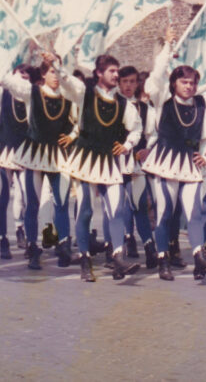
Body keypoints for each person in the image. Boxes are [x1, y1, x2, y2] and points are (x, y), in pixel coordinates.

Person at [54, 53, 143, 282]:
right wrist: (56, 64)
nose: (116, 74)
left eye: (117, 71)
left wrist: (127, 145)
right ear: (99, 73)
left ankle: (118, 257)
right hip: (84, 160)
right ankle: (85, 261)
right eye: (111, 71)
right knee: (85, 211)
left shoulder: (123, 103)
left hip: (109, 163)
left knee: (116, 211)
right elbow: (67, 82)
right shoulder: (85, 93)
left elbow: (136, 128)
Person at [142, 33, 206, 281]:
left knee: (195, 213)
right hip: (165, 162)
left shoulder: (201, 105)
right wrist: (167, 47)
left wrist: (205, 156)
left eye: (193, 83)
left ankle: (199, 259)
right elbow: (155, 76)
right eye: (184, 82)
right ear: (174, 83)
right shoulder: (163, 99)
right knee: (164, 213)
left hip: (190, 165)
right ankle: (163, 259)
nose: (189, 86)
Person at [3, 58, 76, 270]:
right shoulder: (32, 92)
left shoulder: (69, 95)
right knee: (33, 204)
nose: (56, 76)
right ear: (43, 74)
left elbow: (81, 119)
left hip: (59, 156)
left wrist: (72, 136)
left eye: (59, 72)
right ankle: (33, 248)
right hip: (35, 153)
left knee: (61, 203)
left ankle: (64, 245)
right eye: (52, 71)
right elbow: (10, 82)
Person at [0, 65, 31, 260]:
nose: (23, 79)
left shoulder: (30, 96)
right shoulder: (2, 93)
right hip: (3, 149)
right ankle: (3, 239)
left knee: (27, 197)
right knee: (2, 197)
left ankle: (24, 232)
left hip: (24, 150)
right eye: (20, 75)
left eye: (26, 76)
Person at [116, 65, 158, 267]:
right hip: (113, 163)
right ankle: (121, 244)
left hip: (135, 163)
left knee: (139, 205)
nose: (128, 85)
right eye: (124, 81)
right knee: (116, 207)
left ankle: (149, 248)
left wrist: (148, 149)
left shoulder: (146, 109)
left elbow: (153, 134)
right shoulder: (112, 105)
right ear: (118, 83)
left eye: (132, 81)